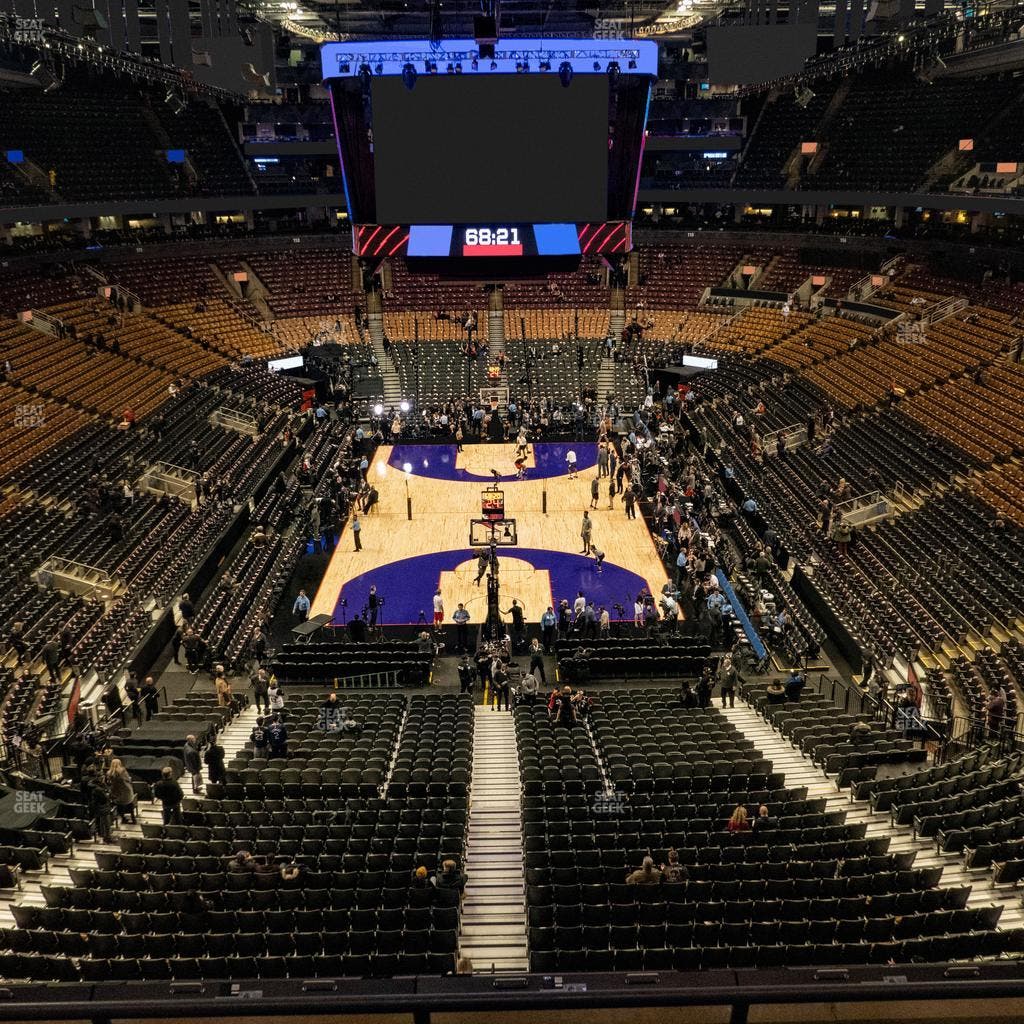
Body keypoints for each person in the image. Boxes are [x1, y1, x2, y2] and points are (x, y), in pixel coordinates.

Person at [107, 758, 136, 824]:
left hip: (117, 796)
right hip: (127, 795)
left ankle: (122, 817)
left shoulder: (109, 774)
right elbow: (129, 780)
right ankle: (133, 817)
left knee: (116, 801)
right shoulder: (123, 771)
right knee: (129, 800)